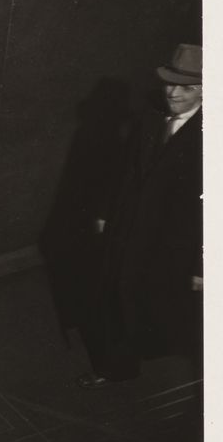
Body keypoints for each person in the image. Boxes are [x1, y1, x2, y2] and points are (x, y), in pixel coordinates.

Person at [80, 43, 202, 386]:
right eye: (169, 83)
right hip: (129, 225)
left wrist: (202, 266)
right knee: (114, 292)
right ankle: (114, 368)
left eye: (186, 87)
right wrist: (105, 212)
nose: (173, 93)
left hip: (177, 243)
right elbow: (123, 168)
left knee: (164, 304)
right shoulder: (151, 115)